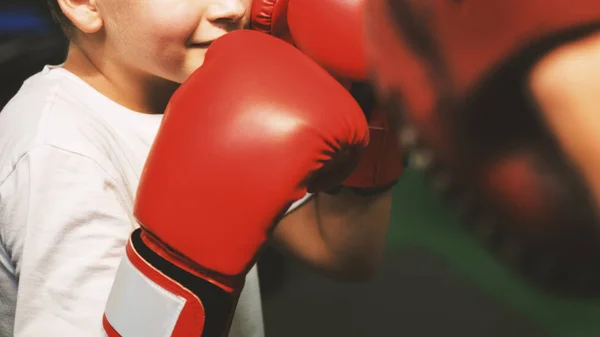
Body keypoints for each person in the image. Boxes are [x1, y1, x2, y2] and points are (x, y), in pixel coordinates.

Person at [0, 0, 399, 336]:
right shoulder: (58, 153)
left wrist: (367, 95)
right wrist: (179, 275)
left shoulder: (213, 93)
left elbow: (342, 250)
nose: (233, 8)